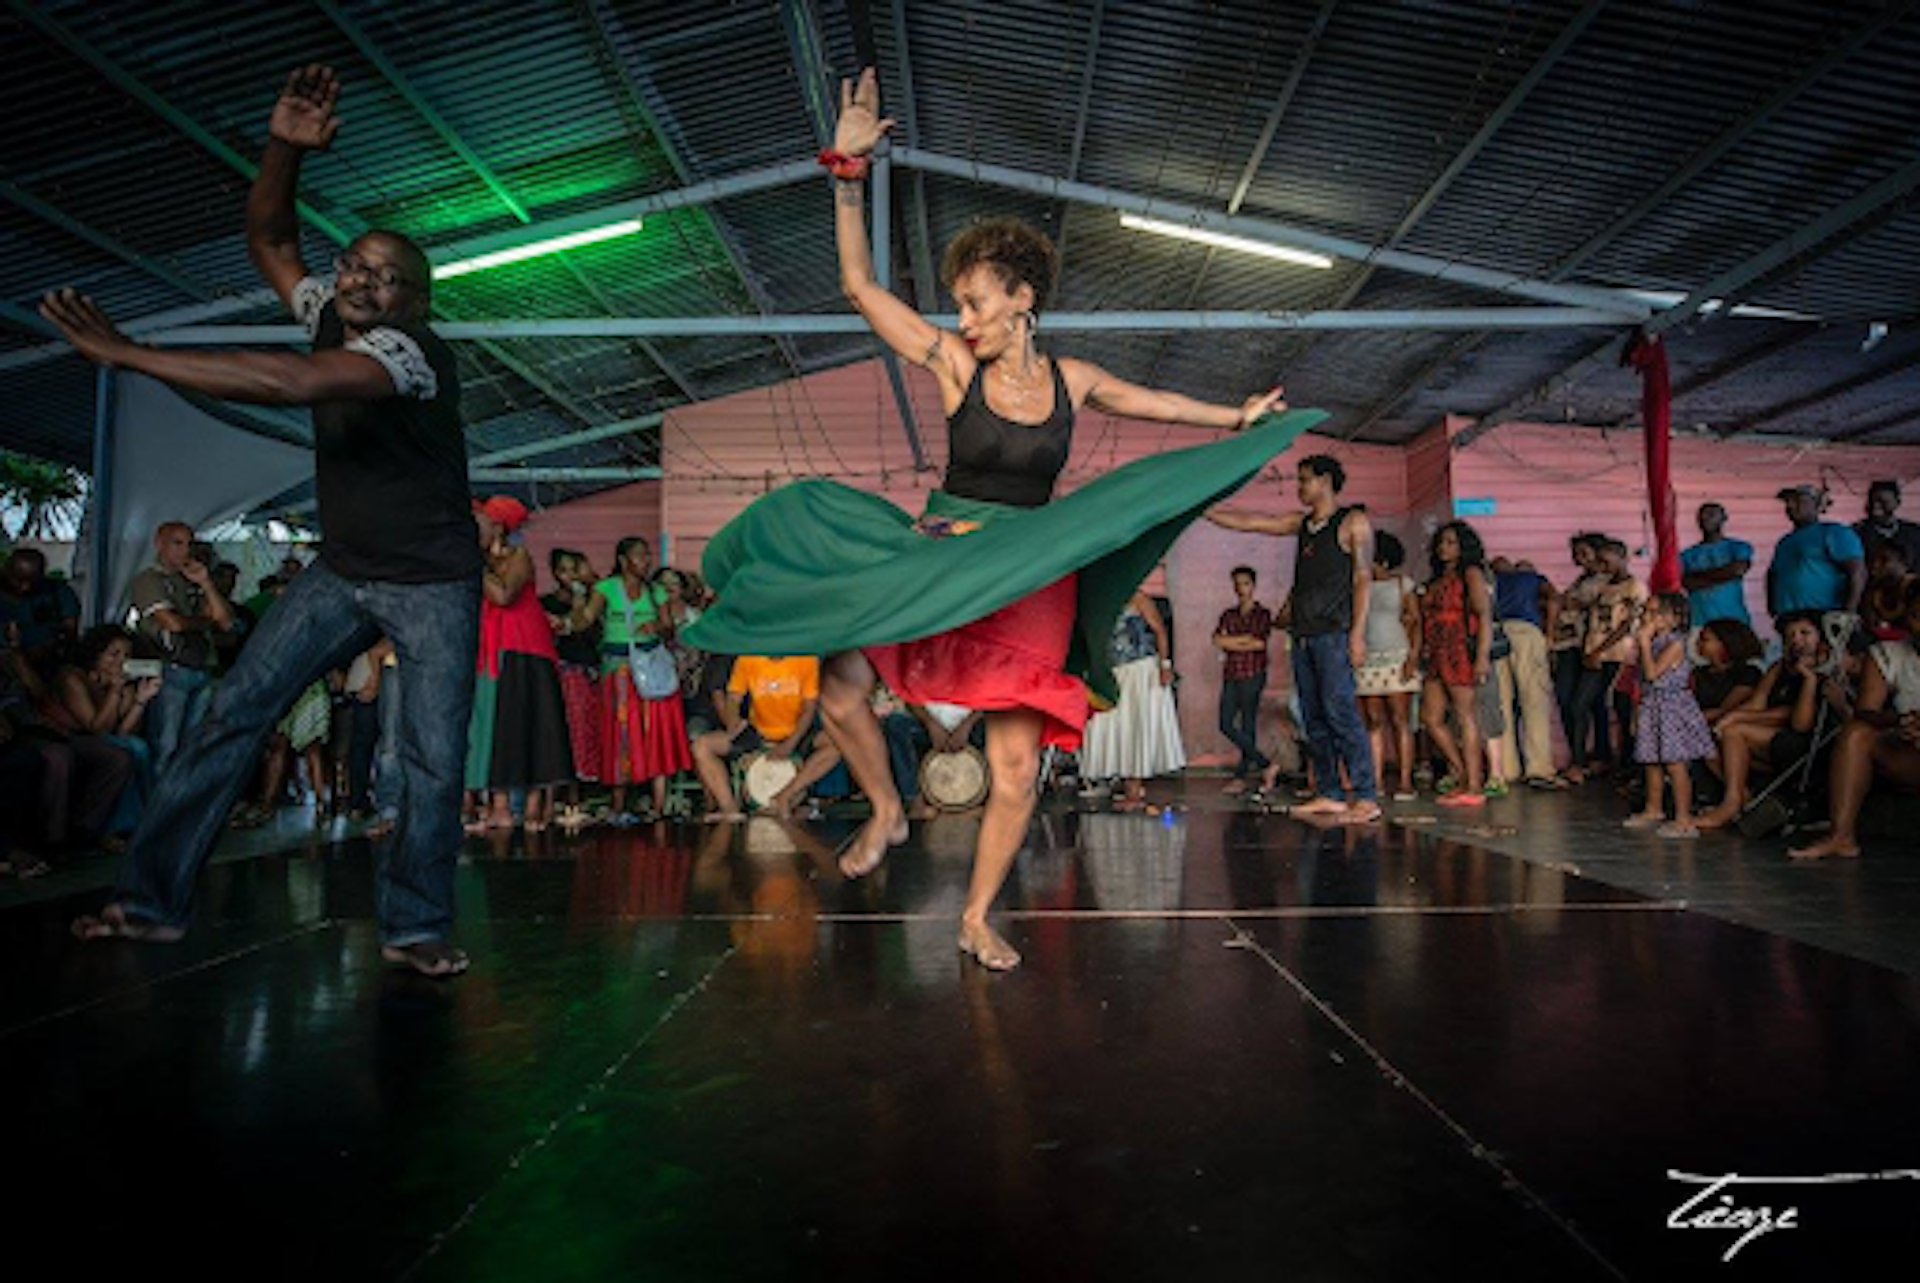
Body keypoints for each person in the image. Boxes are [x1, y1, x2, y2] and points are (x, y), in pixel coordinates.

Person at [683, 69, 1304, 971]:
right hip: (943, 551)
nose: (962, 317)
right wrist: (845, 176)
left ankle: (976, 916)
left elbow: (1154, 401)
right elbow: (860, 287)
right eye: (960, 304)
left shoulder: (1073, 379)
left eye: (976, 301)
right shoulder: (952, 366)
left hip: (1029, 567)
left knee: (1015, 768)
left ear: (1022, 299)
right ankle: (889, 808)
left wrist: (1235, 419)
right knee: (843, 682)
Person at [44, 65, 480, 977]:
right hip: (344, 566)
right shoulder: (330, 311)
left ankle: (415, 925)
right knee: (231, 714)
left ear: (415, 299)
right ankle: (150, 901)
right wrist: (284, 147)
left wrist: (132, 354)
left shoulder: (409, 354)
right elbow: (271, 235)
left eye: (387, 277)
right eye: (354, 265)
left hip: (432, 579)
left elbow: (294, 383)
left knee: (432, 760)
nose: (362, 282)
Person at [1209, 455, 1378, 821]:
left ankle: (1366, 796)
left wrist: (1358, 635)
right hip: (1303, 636)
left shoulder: (1352, 522)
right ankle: (1331, 792)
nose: (1299, 487)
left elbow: (1363, 579)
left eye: (1305, 480)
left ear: (1325, 481)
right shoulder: (1301, 524)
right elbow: (1254, 522)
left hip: (1335, 634)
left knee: (1341, 713)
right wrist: (1203, 510)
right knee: (1313, 718)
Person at [465, 497, 574, 833]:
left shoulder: (519, 557)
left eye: (481, 521)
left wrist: (472, 564)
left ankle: (521, 808)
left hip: (523, 650)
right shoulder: (482, 560)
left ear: (498, 525)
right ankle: (495, 805)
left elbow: (502, 595)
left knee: (517, 728)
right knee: (486, 727)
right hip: (490, 651)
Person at [1789, 583, 1920, 860]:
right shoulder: (1889, 654)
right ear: (1907, 617)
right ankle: (1841, 836)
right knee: (1856, 733)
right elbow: (1866, 711)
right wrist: (1902, 721)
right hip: (1910, 749)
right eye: (1917, 616)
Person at [583, 536, 692, 824]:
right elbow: (586, 617)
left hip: (650, 669)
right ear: (623, 560)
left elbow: (668, 628)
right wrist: (567, 619)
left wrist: (655, 625)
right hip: (619, 669)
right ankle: (618, 805)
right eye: (640, 556)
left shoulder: (655, 591)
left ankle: (657, 806)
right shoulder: (606, 588)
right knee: (621, 732)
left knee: (652, 730)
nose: (646, 561)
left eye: (647, 555)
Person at [1697, 613, 1837, 830]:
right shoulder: (1778, 668)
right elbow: (1757, 704)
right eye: (1790, 635)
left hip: (1805, 745)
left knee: (1735, 732)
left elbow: (1799, 722)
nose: (1796, 640)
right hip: (1771, 735)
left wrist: (1809, 678)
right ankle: (1743, 797)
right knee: (1709, 734)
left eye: (1805, 633)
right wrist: (1726, 720)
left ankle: (1731, 803)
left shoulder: (1827, 670)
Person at [128, 521, 235, 773]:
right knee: (165, 746)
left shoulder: (192, 581)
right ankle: (157, 808)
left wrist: (206, 583)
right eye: (177, 543)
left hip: (201, 667)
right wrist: (205, 622)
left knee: (192, 748)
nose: (184, 550)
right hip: (170, 668)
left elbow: (226, 622)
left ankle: (178, 806)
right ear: (159, 544)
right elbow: (171, 623)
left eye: (189, 544)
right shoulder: (148, 579)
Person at [47, 625, 158, 838]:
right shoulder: (73, 678)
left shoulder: (124, 685)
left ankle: (142, 820)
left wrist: (140, 702)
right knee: (125, 753)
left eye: (126, 655)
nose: (120, 661)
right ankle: (115, 829)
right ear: (95, 654)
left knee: (138, 747)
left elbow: (124, 733)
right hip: (71, 738)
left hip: (104, 740)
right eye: (113, 654)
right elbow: (97, 728)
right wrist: (114, 692)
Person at [1081, 589, 1184, 813]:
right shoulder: (1099, 600)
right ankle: (1129, 785)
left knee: (1136, 725)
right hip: (1114, 672)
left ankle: (1134, 790)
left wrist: (1165, 666)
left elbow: (1159, 630)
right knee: (1120, 727)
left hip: (1139, 670)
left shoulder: (1139, 598)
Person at [690, 654, 824, 823]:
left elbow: (809, 709)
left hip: (794, 733)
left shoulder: (807, 660)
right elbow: (733, 697)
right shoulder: (747, 659)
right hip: (758, 732)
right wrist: (733, 723)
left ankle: (786, 795)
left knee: (835, 744)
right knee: (701, 746)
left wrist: (790, 744)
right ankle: (729, 810)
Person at [1623, 594, 1715, 838]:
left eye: (1656, 613)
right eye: (1647, 612)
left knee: (1675, 763)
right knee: (1651, 759)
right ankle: (1654, 808)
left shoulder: (1674, 644)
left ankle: (1683, 818)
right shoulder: (1653, 642)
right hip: (1652, 705)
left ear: (1675, 619)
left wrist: (1642, 643)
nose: (1648, 618)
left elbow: (1653, 674)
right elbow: (1641, 681)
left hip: (1670, 707)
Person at [1418, 522, 1496, 806]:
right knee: (1430, 717)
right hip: (1436, 650)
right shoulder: (1438, 578)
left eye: (1451, 542)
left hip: (1459, 648)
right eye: (1441, 542)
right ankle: (1464, 774)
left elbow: (1484, 615)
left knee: (1465, 716)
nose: (1443, 548)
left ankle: (1474, 786)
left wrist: (1482, 657)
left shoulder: (1470, 574)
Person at [1567, 539, 1647, 782]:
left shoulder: (1635, 587)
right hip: (1595, 654)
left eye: (1606, 560)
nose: (1601, 565)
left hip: (1619, 655)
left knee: (1623, 711)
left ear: (1622, 557)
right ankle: (1579, 762)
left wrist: (1598, 650)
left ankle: (1629, 765)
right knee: (1579, 705)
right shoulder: (1600, 587)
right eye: (1599, 560)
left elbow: (1628, 625)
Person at [1355, 532, 1421, 801]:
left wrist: (1413, 657)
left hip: (1397, 656)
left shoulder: (1402, 584)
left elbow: (1415, 621)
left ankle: (1406, 782)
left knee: (1400, 720)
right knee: (1373, 721)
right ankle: (1377, 781)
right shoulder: (1360, 585)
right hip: (1368, 660)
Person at [541, 548, 606, 821]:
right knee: (566, 730)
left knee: (588, 731)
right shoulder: (548, 603)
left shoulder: (597, 600)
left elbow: (586, 626)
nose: (570, 576)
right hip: (565, 672)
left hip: (591, 670)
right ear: (555, 573)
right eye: (564, 570)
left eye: (574, 569)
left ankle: (582, 793)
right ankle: (562, 794)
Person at [1489, 555, 1559, 786]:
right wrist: (1549, 633)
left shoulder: (1492, 579)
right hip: (1527, 632)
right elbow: (1553, 598)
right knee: (1534, 702)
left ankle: (1507, 769)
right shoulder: (1532, 578)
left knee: (1502, 705)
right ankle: (1539, 768)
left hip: (1497, 634)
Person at [1212, 566, 1273, 794]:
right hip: (1232, 672)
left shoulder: (1262, 614)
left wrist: (1233, 642)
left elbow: (1259, 643)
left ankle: (1242, 775)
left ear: (1253, 585)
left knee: (1248, 723)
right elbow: (1218, 640)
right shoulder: (1228, 614)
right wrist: (1243, 640)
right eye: (1237, 584)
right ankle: (1265, 763)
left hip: (1253, 672)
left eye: (1245, 583)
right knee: (1225, 723)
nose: (1241, 589)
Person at [1551, 534, 1607, 774]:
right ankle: (1580, 755)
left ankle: (1593, 756)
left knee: (1589, 702)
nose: (1579, 558)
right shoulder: (1581, 580)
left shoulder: (1606, 580)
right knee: (1568, 699)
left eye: (1584, 552)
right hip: (1569, 645)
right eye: (1576, 553)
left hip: (1590, 645)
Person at [1768, 484, 1866, 618]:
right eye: (1788, 502)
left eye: (1798, 501)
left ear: (1817, 505)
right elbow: (1773, 575)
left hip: (1823, 614)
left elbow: (1857, 572)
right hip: (1788, 615)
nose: (1790, 506)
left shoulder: (1834, 532)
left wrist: (1848, 613)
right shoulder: (1784, 542)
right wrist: (1773, 607)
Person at [0, 547, 81, 669]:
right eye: (18, 580)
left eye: (32, 581)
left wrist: (53, 642)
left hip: (51, 659)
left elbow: (70, 628)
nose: (25, 587)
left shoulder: (57, 592)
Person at [1679, 502, 1753, 630]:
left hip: (1733, 618)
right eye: (1702, 515)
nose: (1706, 518)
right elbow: (1687, 583)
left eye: (1712, 514)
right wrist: (1723, 575)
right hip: (1700, 621)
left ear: (1724, 518)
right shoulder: (1687, 555)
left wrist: (1698, 576)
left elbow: (1737, 570)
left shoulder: (1737, 546)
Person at [1692, 620, 1766, 727]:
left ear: (1725, 643)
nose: (1697, 643)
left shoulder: (1748, 673)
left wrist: (1689, 719)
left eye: (1704, 639)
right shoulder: (1698, 672)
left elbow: (1727, 709)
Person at [1854, 480, 1920, 574]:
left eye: (1883, 501)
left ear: (1897, 503)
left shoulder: (1915, 532)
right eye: (1872, 501)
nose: (1876, 506)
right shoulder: (1856, 533)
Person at [1862, 540, 1913, 641]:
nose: (1875, 565)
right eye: (1873, 559)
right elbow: (1871, 626)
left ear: (1904, 564)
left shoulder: (1914, 590)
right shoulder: (1874, 590)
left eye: (1884, 560)